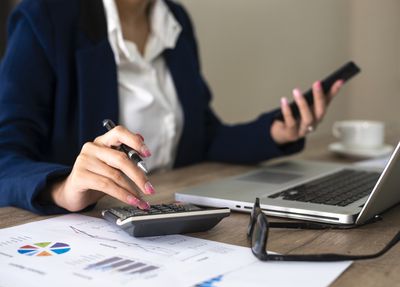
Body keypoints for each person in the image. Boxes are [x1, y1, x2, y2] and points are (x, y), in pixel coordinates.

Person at [0, 0, 342, 215]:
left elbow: (201, 137)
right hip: (88, 231)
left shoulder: (175, 19)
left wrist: (275, 132)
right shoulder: (44, 16)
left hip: (171, 214)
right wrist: (62, 188)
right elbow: (5, 155)